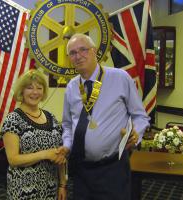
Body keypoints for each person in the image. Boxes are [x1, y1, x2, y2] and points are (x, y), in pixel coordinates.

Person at [61, 33, 150, 200]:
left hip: (112, 168)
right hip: (81, 170)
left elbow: (140, 116)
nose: (78, 56)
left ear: (94, 51)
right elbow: (67, 124)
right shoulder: (72, 86)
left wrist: (135, 134)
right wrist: (66, 145)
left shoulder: (120, 77)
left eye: (83, 50)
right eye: (72, 53)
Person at [0, 69, 67, 200]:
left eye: (39, 88)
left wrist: (62, 185)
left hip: (50, 189)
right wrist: (45, 154)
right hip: (23, 191)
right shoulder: (13, 120)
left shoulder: (51, 118)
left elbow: (59, 155)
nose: (35, 92)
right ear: (22, 91)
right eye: (29, 88)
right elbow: (13, 159)